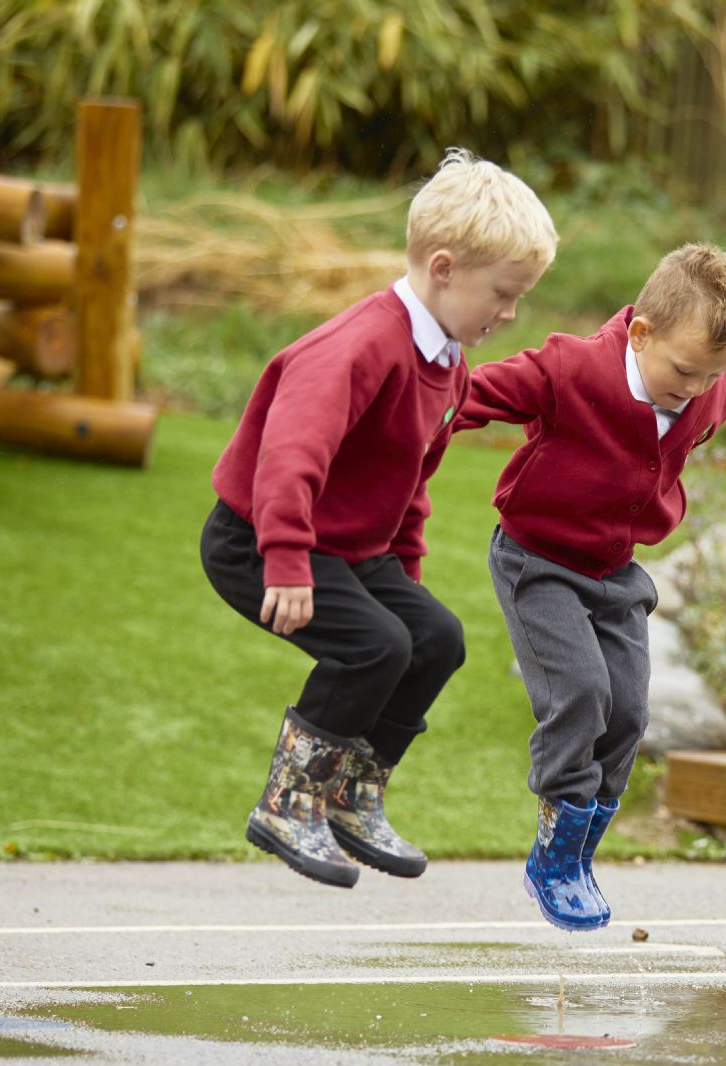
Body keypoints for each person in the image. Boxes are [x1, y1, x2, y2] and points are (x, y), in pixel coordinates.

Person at [200, 149, 557, 889]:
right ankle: (290, 801)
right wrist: (288, 558)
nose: (510, 313)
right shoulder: (362, 345)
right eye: (503, 292)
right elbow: (289, 454)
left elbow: (411, 478)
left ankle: (354, 795)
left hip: (353, 549)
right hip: (260, 538)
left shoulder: (448, 361)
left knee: (434, 637)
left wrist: (406, 575)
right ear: (445, 266)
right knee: (373, 646)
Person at [455, 243, 726, 930]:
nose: (696, 389)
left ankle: (581, 853)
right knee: (582, 694)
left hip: (616, 570)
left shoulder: (714, 394)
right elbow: (469, 397)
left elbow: (691, 419)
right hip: (538, 560)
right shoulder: (570, 368)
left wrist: (696, 391)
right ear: (640, 333)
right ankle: (553, 854)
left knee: (626, 712)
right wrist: (404, 431)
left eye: (713, 376)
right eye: (683, 370)